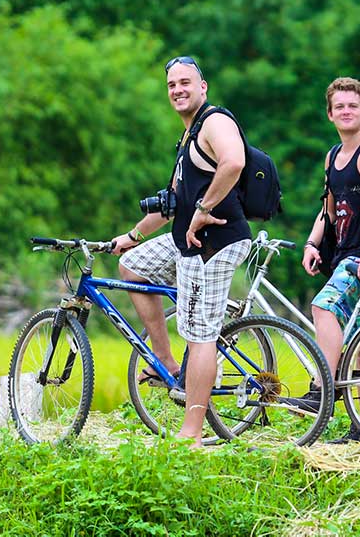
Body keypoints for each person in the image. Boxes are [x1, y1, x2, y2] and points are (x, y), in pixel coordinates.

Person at [108, 55, 252, 448]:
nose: (178, 90)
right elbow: (172, 201)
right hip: (185, 242)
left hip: (214, 243)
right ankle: (166, 364)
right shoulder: (187, 138)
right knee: (132, 267)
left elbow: (234, 161)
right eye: (172, 85)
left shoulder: (215, 122)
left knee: (200, 332)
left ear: (203, 86)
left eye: (186, 82)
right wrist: (132, 236)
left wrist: (203, 211)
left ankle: (192, 431)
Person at [291, 77, 360, 442]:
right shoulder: (332, 157)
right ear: (330, 114)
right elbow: (327, 209)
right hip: (342, 252)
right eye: (339, 106)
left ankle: (322, 387)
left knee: (323, 309)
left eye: (352, 105)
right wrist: (312, 243)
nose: (346, 111)